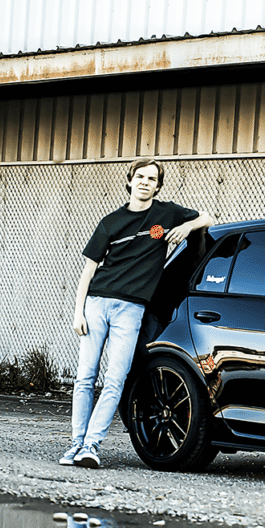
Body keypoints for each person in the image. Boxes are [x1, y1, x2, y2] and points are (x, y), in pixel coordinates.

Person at [60, 158, 213, 468]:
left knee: (115, 379)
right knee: (85, 378)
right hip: (97, 304)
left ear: (158, 185)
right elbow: (88, 271)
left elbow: (208, 217)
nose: (145, 182)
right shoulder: (110, 222)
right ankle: (75, 444)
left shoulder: (167, 213)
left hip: (131, 310)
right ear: (130, 181)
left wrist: (186, 226)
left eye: (152, 178)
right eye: (140, 176)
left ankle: (91, 446)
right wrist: (78, 312)